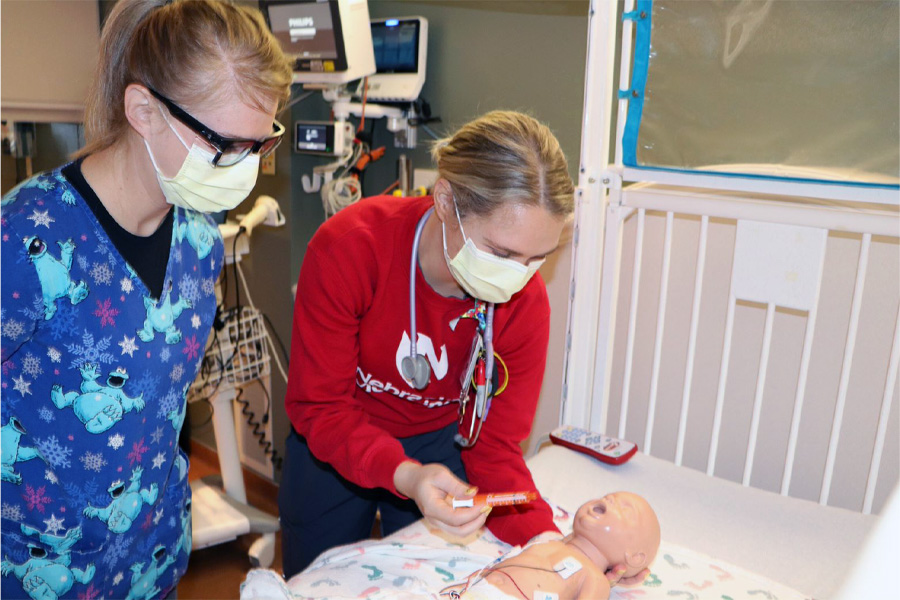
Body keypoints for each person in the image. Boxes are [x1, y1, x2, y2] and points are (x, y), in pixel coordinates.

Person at [0, 1, 292, 598]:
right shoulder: (30, 240)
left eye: (260, 146)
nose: (245, 172)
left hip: (150, 555)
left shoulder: (200, 242)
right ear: (143, 111)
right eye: (225, 145)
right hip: (37, 564)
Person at [280, 111, 577, 577]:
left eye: (537, 258)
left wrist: (552, 546)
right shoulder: (351, 248)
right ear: (445, 200)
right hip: (333, 443)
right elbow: (320, 406)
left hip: (439, 446)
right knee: (315, 581)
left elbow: (496, 445)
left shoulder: (524, 303)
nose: (517, 276)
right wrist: (405, 475)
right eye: (501, 253)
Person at [447, 492, 661, 600]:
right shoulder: (551, 543)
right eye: (607, 497)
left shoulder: (595, 579)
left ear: (634, 557)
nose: (610, 500)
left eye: (626, 509)